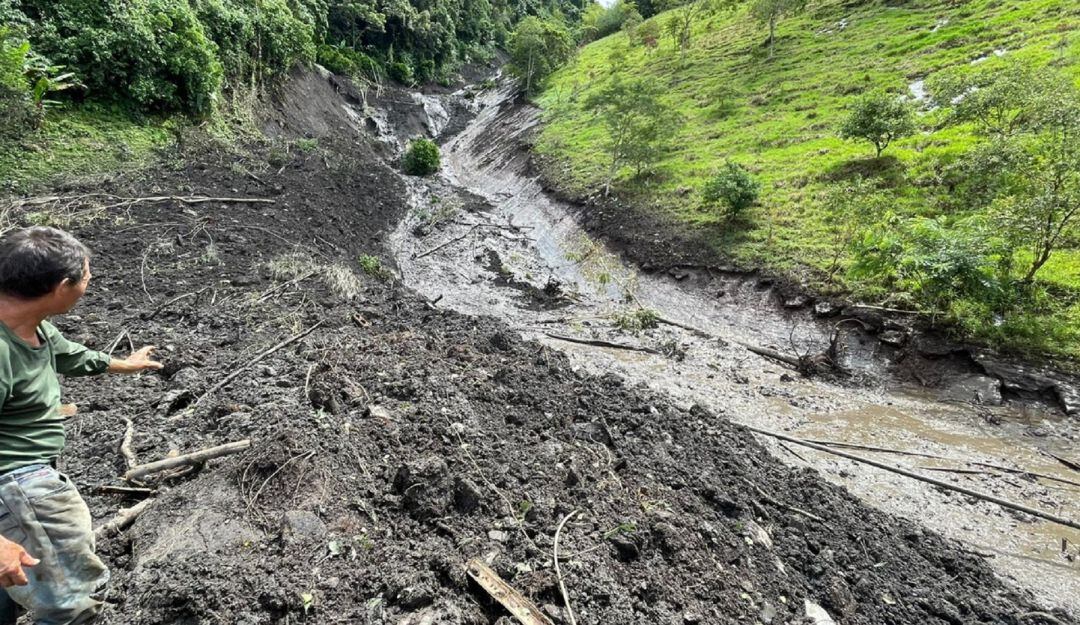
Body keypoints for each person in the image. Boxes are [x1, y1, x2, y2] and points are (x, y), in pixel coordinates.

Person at [0, 227, 162, 624]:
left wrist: (124, 364)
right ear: (61, 286)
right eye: (86, 277)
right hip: (18, 489)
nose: (89, 284)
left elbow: (66, 352)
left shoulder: (30, 322)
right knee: (70, 603)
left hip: (24, 485)